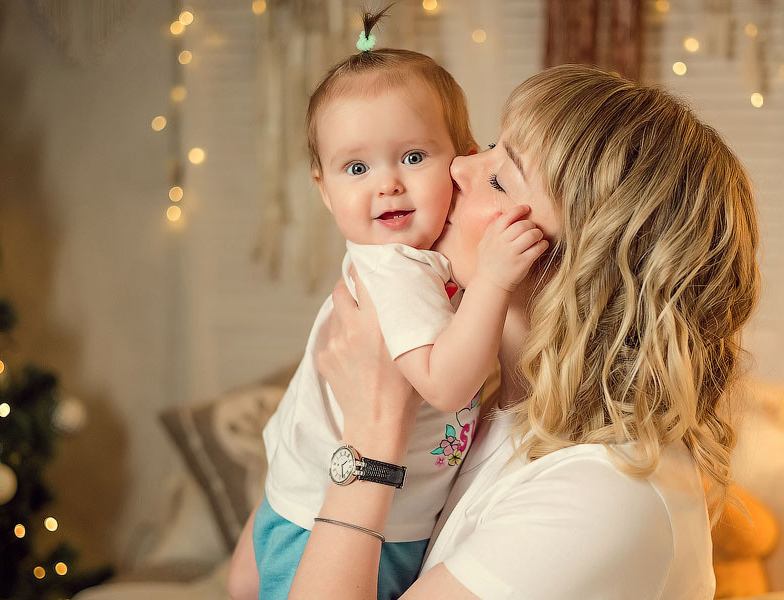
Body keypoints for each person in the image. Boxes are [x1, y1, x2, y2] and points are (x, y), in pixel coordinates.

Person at [288, 63, 760, 599]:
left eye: (499, 179)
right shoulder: (493, 415)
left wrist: (373, 432)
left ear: (581, 267)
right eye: (490, 146)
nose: (457, 165)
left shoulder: (601, 498)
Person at [226, 9, 550, 600]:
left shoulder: (417, 261)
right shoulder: (397, 271)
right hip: (354, 523)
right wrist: (494, 281)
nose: (387, 184)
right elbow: (446, 385)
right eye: (357, 167)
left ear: (460, 159)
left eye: (413, 157)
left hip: (310, 503)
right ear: (325, 190)